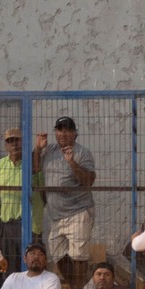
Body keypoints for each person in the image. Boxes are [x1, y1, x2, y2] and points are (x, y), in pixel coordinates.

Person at [34, 117, 97, 275]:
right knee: (58, 255)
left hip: (78, 212)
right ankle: (73, 284)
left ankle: (79, 288)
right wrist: (38, 149)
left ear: (75, 133)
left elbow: (89, 181)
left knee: (79, 257)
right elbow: (35, 170)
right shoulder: (49, 151)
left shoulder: (82, 153)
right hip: (56, 216)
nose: (63, 133)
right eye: (60, 130)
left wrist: (71, 163)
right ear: (55, 132)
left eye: (67, 130)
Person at [0, 128, 28, 263]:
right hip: (7, 223)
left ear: (23, 142)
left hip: (27, 223)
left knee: (28, 263)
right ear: (6, 146)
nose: (14, 144)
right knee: (9, 264)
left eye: (17, 140)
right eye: (10, 141)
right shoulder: (0, 164)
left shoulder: (30, 164)